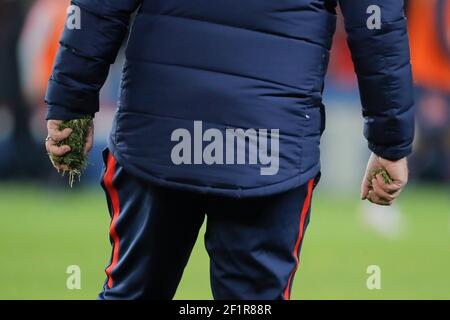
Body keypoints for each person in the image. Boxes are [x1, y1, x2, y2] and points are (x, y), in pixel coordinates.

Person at [45, 0, 414, 300]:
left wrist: (70, 103)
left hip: (160, 132)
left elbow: (99, 7)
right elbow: (376, 24)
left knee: (133, 293)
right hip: (269, 144)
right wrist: (390, 142)